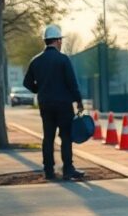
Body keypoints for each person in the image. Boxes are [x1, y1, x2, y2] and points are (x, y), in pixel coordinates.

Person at [23, 24, 85, 180]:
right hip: (63, 105)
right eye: (60, 40)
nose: (61, 43)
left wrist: (40, 90)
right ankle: (68, 169)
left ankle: (49, 171)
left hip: (46, 105)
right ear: (57, 40)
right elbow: (72, 83)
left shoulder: (36, 61)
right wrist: (78, 101)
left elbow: (27, 83)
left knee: (48, 137)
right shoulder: (63, 59)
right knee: (65, 137)